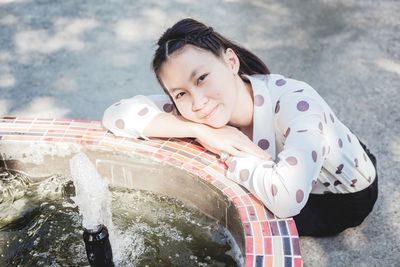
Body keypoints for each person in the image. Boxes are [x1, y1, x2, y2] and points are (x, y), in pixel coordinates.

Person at [102, 18, 378, 237]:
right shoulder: (204, 108)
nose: (197, 102)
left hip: (339, 196)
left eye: (201, 78)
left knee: (226, 217)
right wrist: (202, 131)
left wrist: (234, 156)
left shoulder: (297, 101)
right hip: (311, 153)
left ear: (231, 62)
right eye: (180, 94)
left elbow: (286, 200)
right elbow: (116, 115)